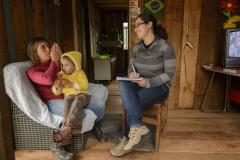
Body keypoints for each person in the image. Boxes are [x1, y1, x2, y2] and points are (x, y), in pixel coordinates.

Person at [26, 37, 105, 160]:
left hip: (72, 95)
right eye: (43, 47)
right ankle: (58, 144)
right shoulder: (33, 70)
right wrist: (54, 61)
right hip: (54, 101)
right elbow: (48, 79)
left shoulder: (58, 64)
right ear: (34, 52)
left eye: (48, 46)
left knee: (99, 104)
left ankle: (95, 125)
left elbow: (72, 71)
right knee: (74, 111)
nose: (48, 49)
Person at [110, 13, 176, 157]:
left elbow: (169, 74)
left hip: (159, 86)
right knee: (123, 83)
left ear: (149, 25)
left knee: (131, 103)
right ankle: (137, 127)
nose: (135, 29)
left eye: (137, 25)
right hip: (139, 84)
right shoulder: (136, 48)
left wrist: (148, 82)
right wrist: (131, 75)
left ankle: (127, 139)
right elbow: (130, 69)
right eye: (134, 26)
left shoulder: (165, 46)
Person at [51, 51, 91, 146]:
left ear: (74, 65)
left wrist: (71, 84)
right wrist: (57, 85)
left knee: (77, 101)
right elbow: (56, 92)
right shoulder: (61, 75)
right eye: (62, 65)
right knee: (67, 100)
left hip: (82, 95)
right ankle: (67, 131)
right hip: (69, 96)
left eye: (66, 65)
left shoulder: (80, 73)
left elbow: (85, 85)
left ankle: (67, 126)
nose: (63, 67)